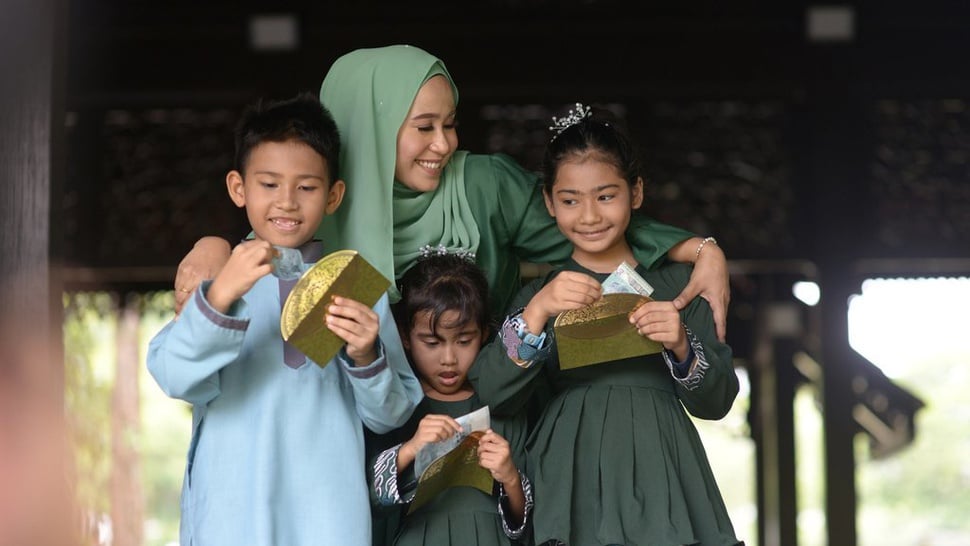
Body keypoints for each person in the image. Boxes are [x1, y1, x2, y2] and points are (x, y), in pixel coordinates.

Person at [172, 44, 731, 341]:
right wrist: (213, 246)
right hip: (370, 440)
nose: (444, 143)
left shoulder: (483, 184)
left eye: (450, 122)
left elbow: (589, 227)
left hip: (486, 422)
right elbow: (262, 258)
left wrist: (700, 249)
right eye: (423, 126)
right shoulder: (321, 208)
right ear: (371, 124)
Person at [146, 93, 423, 546]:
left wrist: (365, 353)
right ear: (239, 188)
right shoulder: (220, 278)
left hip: (328, 517)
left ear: (334, 196)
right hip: (232, 510)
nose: (287, 202)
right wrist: (219, 297)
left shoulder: (350, 284)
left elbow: (390, 416)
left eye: (307, 187)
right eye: (269, 184)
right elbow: (175, 377)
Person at [469, 106, 743, 546]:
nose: (590, 216)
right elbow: (492, 395)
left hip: (663, 473)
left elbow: (719, 401)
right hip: (571, 474)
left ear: (636, 192)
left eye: (605, 196)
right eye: (570, 200)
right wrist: (537, 311)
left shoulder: (679, 286)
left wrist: (680, 344)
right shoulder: (538, 294)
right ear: (548, 202)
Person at [368, 250, 534, 546]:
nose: (448, 359)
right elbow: (372, 502)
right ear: (405, 336)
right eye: (431, 342)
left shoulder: (503, 404)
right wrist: (411, 448)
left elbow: (523, 526)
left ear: (484, 333)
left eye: (464, 341)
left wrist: (509, 477)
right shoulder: (395, 405)